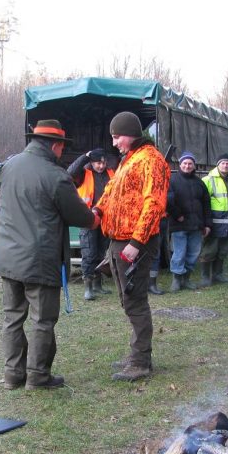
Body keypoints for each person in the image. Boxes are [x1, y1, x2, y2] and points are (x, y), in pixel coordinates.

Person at [0, 119, 98, 390]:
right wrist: (95, 217)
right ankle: (38, 376)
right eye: (63, 146)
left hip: (7, 257)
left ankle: (13, 375)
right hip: (39, 259)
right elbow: (81, 216)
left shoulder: (9, 166)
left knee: (12, 319)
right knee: (42, 320)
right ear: (56, 145)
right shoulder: (55, 175)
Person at [93, 111, 170, 382]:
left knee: (135, 300)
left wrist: (137, 242)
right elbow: (111, 190)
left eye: (117, 137)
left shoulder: (151, 160)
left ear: (130, 133)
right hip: (119, 241)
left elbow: (154, 204)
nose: (114, 143)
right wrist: (97, 211)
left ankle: (140, 362)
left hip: (135, 243)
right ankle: (136, 354)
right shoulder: (130, 159)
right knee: (128, 300)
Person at [67, 148, 114, 301]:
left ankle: (98, 285)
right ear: (91, 162)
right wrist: (85, 156)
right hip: (88, 220)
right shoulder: (83, 174)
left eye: (103, 162)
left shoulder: (112, 173)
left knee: (101, 253)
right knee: (89, 253)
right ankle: (88, 287)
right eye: (97, 163)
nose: (101, 166)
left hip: (106, 220)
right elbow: (70, 172)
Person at [167, 152, 211, 291]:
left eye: (190, 163)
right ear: (180, 165)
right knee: (179, 253)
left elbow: (206, 204)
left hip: (196, 224)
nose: (187, 166)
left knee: (193, 253)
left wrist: (207, 224)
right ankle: (176, 279)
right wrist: (177, 215)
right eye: (185, 163)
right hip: (179, 224)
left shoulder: (200, 182)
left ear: (194, 166)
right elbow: (168, 200)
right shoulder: (172, 180)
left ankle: (186, 279)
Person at [199, 154, 228, 286]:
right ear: (218, 165)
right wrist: (205, 222)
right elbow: (203, 202)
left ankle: (218, 275)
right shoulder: (208, 180)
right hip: (214, 223)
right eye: (223, 163)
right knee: (209, 250)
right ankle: (205, 277)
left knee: (223, 250)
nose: (225, 165)